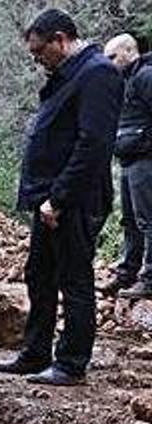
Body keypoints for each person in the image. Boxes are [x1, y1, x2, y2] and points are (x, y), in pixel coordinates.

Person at [0, 8, 123, 386]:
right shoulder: (68, 75)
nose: (36, 60)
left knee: (74, 277)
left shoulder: (98, 73)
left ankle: (70, 363)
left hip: (75, 200)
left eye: (39, 52)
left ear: (60, 40)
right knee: (40, 274)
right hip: (50, 198)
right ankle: (36, 353)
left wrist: (60, 197)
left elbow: (94, 144)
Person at [100, 33, 152, 299]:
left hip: (146, 161)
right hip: (129, 161)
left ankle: (149, 279)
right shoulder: (124, 81)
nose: (108, 62)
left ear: (129, 52)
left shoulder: (145, 76)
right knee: (130, 220)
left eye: (113, 57)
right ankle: (126, 274)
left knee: (148, 220)